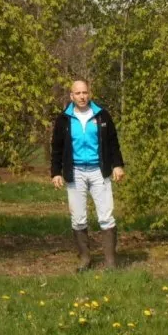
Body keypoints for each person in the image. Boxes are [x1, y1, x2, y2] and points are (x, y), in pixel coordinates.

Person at [50, 79, 125, 271]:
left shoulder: (102, 116)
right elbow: (57, 148)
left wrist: (117, 165)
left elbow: (113, 143)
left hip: (99, 172)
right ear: (71, 96)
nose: (82, 97)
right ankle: (85, 259)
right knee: (78, 218)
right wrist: (56, 172)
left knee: (106, 216)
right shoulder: (63, 120)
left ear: (89, 94)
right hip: (75, 173)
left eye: (85, 93)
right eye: (78, 93)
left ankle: (110, 262)